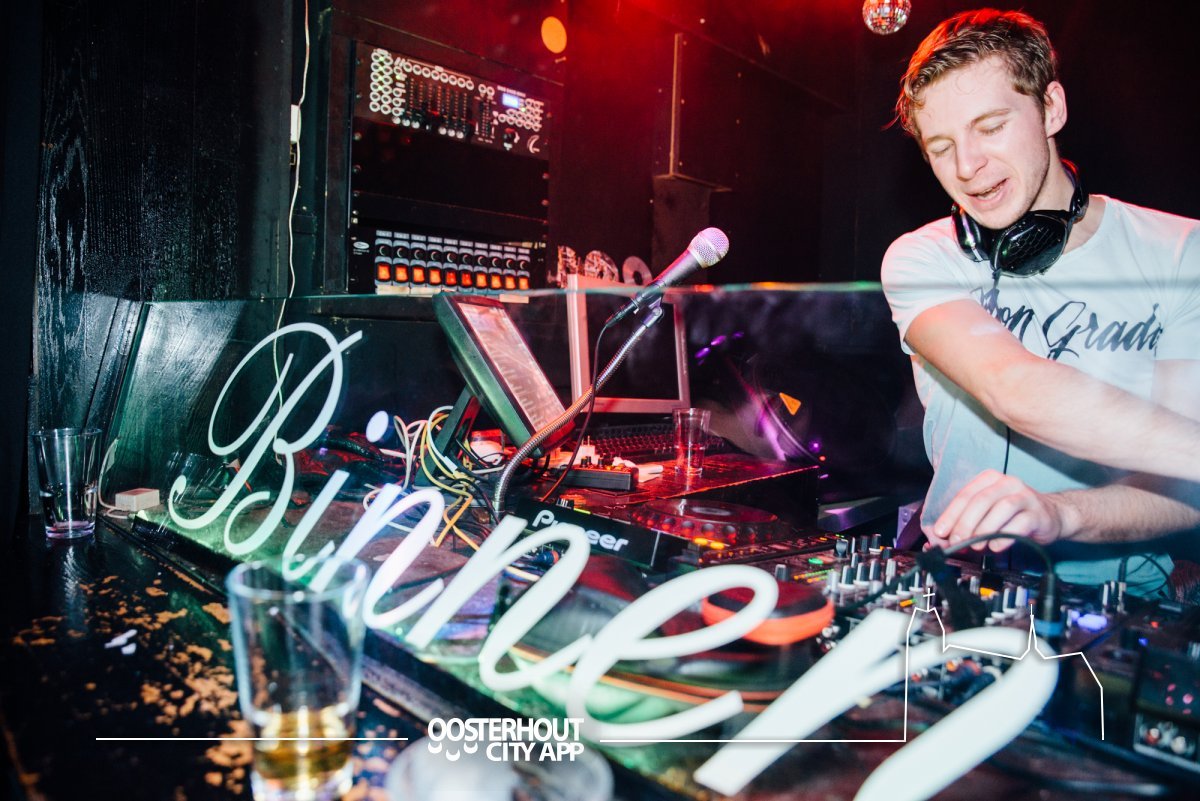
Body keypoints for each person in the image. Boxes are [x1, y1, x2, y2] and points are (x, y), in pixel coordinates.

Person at [880, 9, 1200, 595]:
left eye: (991, 126)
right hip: (960, 583)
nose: (967, 167)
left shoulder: (1181, 252)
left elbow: (1183, 487)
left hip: (1121, 600)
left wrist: (1062, 513)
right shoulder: (922, 258)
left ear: (1050, 107)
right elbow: (1013, 387)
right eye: (942, 146)